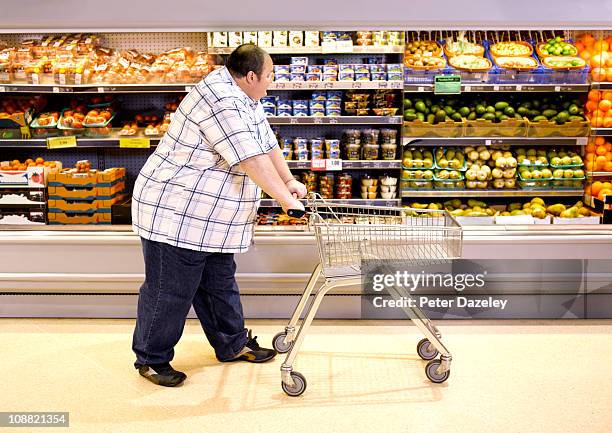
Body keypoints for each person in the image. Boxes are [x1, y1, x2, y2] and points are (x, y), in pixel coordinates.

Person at [130, 44, 306, 387]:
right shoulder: (220, 101)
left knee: (219, 284)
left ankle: (232, 344)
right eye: (269, 76)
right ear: (251, 75)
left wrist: (288, 180)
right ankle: (151, 359)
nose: (272, 83)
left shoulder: (245, 97)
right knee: (170, 291)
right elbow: (249, 159)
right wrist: (285, 200)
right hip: (178, 212)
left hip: (211, 217)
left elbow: (266, 145)